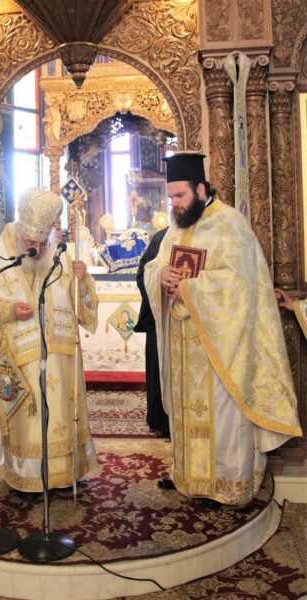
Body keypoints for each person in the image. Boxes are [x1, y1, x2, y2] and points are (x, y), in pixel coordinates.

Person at [144, 152, 302, 507]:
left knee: (220, 416)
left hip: (219, 348)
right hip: (183, 347)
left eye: (180, 195)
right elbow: (155, 266)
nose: (174, 203)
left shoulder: (230, 224)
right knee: (187, 414)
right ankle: (187, 475)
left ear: (201, 189)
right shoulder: (177, 228)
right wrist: (160, 275)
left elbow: (240, 285)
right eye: (171, 197)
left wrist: (189, 289)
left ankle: (226, 481)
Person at [0, 188, 99, 498]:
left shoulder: (60, 255)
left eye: (42, 243)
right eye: (30, 243)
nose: (37, 250)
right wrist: (9, 311)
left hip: (60, 361)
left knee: (60, 415)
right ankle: (28, 477)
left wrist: (82, 280)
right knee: (30, 421)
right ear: (20, 231)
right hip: (20, 362)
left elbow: (84, 309)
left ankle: (64, 475)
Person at [134, 226, 170, 438]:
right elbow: (143, 274)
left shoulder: (209, 234)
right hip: (162, 318)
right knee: (160, 367)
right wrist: (158, 279)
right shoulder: (163, 237)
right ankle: (162, 422)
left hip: (195, 320)